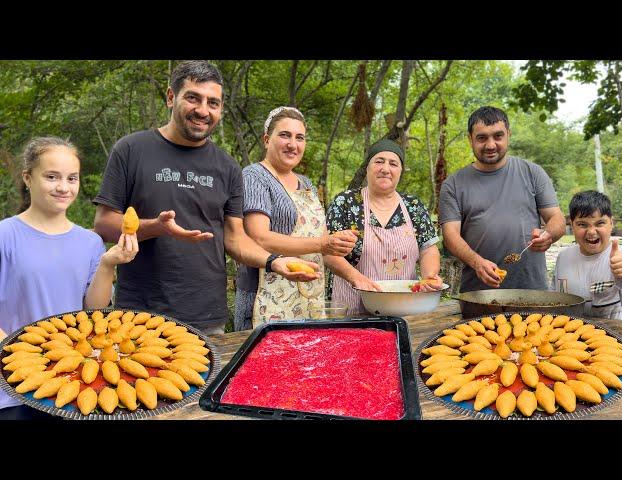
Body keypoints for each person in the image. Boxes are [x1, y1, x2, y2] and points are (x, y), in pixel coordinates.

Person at [93, 61, 318, 335]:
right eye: (193, 98)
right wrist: (156, 227)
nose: (203, 110)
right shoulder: (131, 150)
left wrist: (274, 262)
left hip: (207, 317)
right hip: (139, 313)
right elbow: (104, 225)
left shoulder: (227, 167)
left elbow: (235, 239)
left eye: (213, 102)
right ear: (170, 97)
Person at [0, 136, 138, 417]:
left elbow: (93, 310)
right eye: (52, 177)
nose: (63, 187)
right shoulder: (5, 235)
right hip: (14, 384)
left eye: (71, 178)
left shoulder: (89, 242)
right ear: (28, 177)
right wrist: (17, 354)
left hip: (76, 384)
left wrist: (108, 265)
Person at [234, 107, 357, 330]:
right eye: (284, 135)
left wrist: (347, 261)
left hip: (307, 300)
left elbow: (322, 244)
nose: (293, 144)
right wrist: (323, 244)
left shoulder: (306, 183)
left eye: (299, 138)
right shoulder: (254, 176)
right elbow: (259, 237)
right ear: (266, 139)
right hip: (266, 298)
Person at [439, 106, 566, 293]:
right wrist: (477, 263)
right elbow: (450, 236)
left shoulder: (533, 173)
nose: (490, 145)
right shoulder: (453, 184)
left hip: (532, 290)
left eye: (498, 136)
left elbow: (557, 219)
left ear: (508, 134)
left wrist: (549, 235)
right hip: (478, 293)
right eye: (482, 138)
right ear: (470, 139)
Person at [325, 138, 442, 316]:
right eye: (379, 161)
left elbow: (428, 249)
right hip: (352, 306)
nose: (385, 169)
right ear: (367, 167)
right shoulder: (346, 202)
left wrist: (429, 276)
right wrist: (357, 279)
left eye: (393, 164)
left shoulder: (413, 206)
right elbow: (328, 252)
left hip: (403, 307)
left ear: (400, 171)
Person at [552, 190, 622, 320]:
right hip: (568, 334)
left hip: (614, 336)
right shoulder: (563, 257)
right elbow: (556, 299)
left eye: (600, 223)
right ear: (572, 225)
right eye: (582, 224)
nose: (591, 232)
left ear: (611, 223)